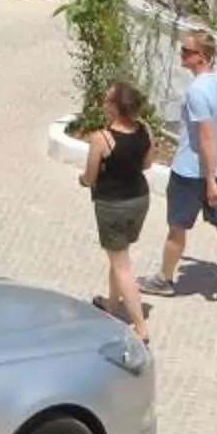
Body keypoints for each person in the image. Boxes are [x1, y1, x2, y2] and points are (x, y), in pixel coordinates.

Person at [145, 29, 217, 307]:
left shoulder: (196, 92)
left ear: (201, 57)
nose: (182, 55)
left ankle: (164, 279)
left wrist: (210, 181)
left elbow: (206, 136)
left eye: (186, 52)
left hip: (192, 173)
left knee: (177, 228)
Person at [78, 80, 154, 339]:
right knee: (119, 254)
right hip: (140, 200)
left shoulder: (102, 139)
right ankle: (112, 302)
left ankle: (140, 327)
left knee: (121, 264)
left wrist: (82, 180)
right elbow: (147, 165)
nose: (103, 102)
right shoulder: (146, 130)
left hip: (113, 205)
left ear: (115, 107)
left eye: (106, 99)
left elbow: (89, 177)